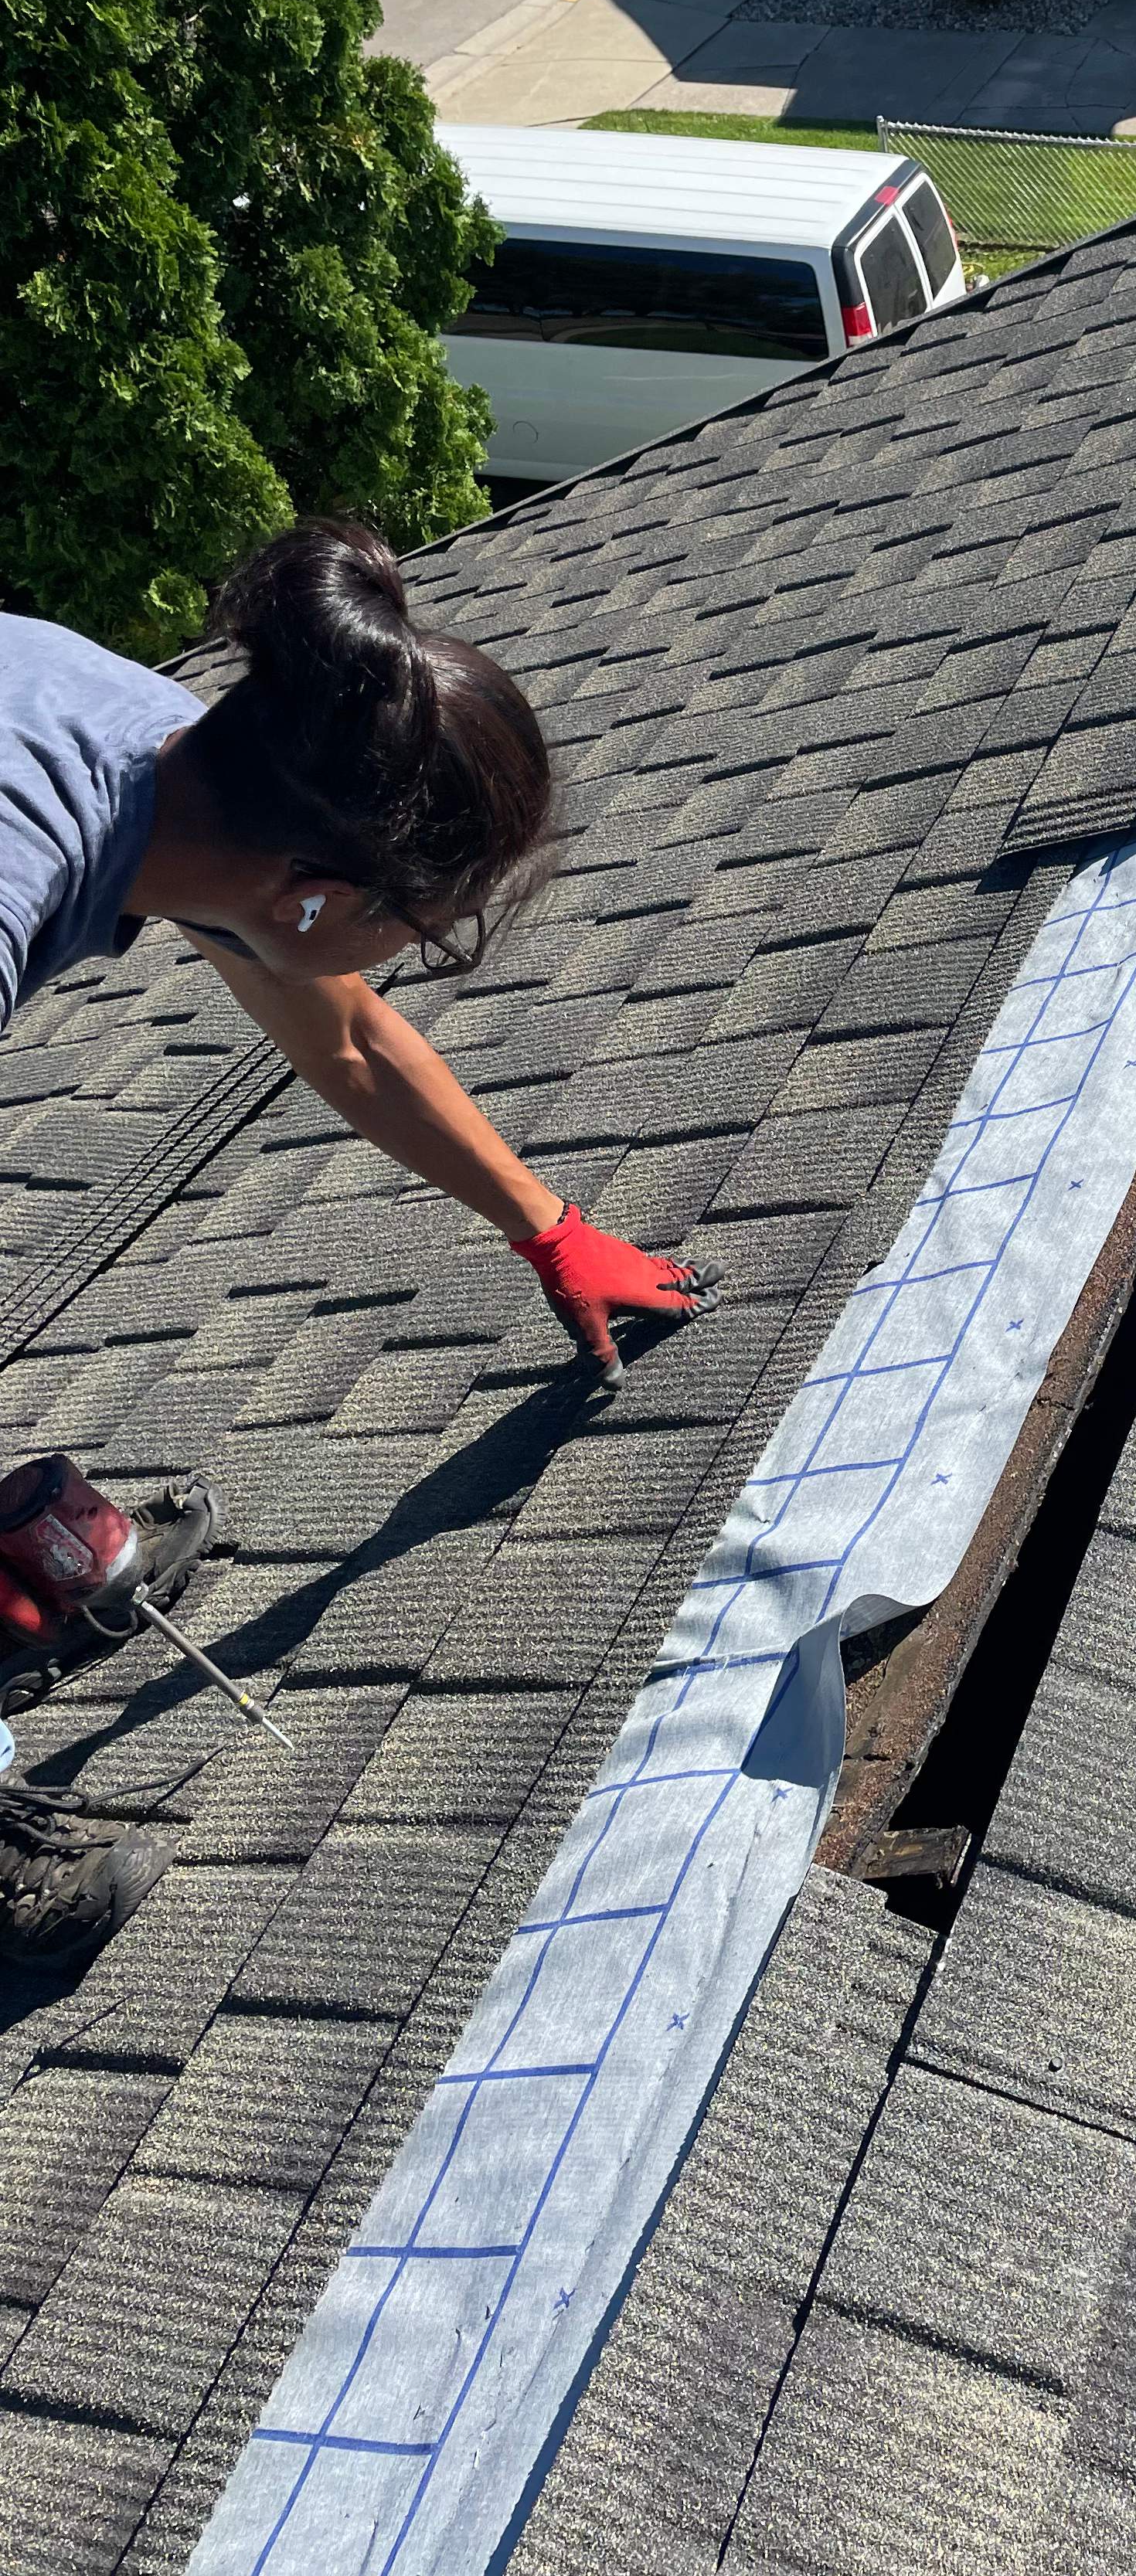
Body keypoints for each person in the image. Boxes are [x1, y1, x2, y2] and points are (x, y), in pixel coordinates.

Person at [0, 520, 709, 1970]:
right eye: (420, 931)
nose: (404, 963)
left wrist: (549, 1229)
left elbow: (351, 1043)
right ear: (318, 898)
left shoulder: (192, 759)